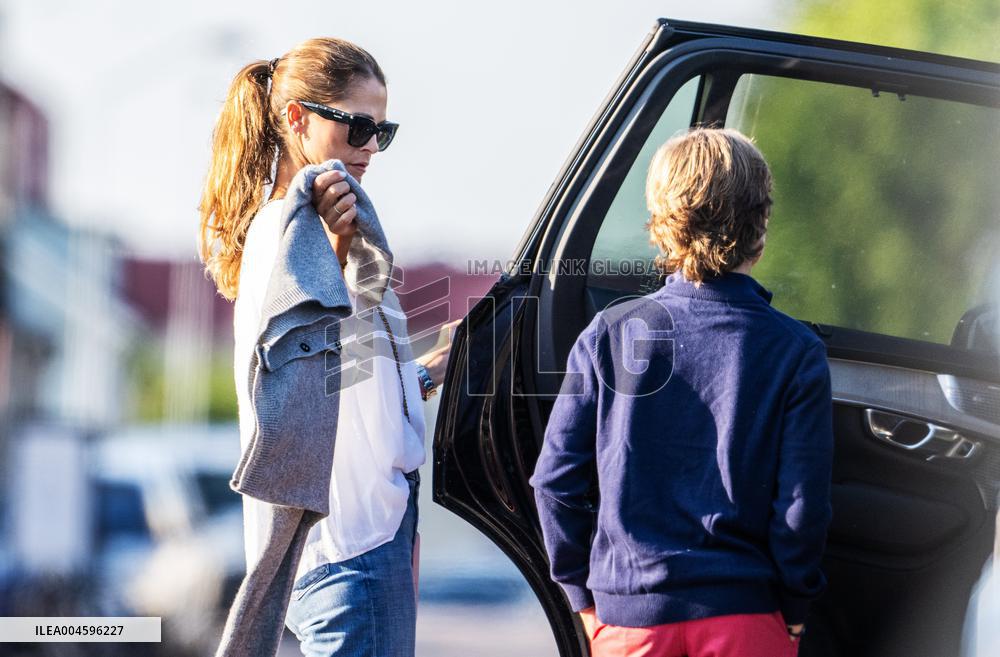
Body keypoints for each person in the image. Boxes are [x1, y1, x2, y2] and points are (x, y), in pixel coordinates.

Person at [529, 127, 834, 657]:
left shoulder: (610, 333)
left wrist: (584, 600)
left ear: (662, 226)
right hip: (744, 617)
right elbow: (800, 509)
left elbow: (554, 483)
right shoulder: (795, 350)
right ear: (760, 226)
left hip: (629, 622)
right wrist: (795, 608)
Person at [197, 37, 456, 657]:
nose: (369, 148)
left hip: (364, 540)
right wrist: (339, 260)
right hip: (349, 548)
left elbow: (347, 383)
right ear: (297, 119)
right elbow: (298, 385)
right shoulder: (288, 235)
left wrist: (425, 371)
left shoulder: (315, 227)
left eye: (382, 131)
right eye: (358, 127)